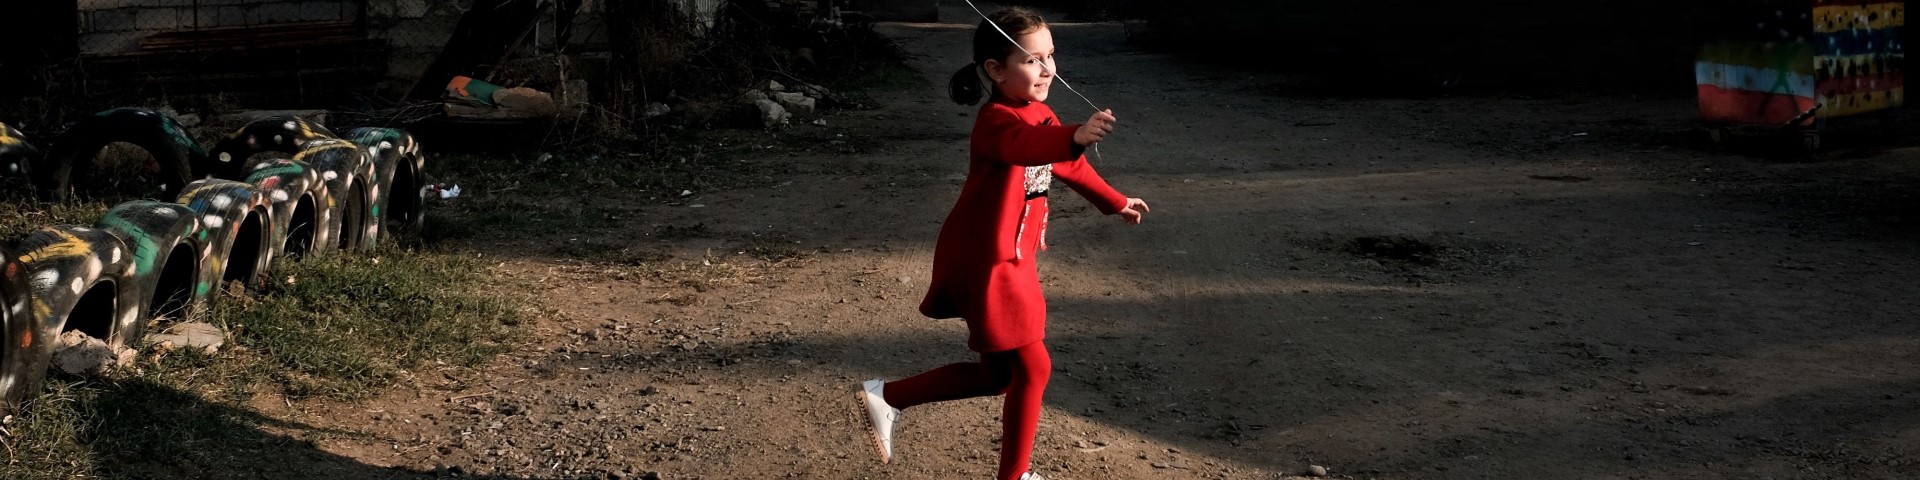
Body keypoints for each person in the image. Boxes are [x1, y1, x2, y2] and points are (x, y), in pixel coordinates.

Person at [857, 7, 1149, 480]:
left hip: (1010, 258)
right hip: (989, 262)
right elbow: (1028, 147)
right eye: (1033, 60)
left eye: (1051, 56)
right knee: (1033, 368)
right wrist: (1074, 135)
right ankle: (1014, 477)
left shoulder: (1041, 113)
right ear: (995, 70)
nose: (1049, 69)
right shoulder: (995, 121)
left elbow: (1065, 164)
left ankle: (888, 396)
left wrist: (1114, 201)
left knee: (998, 376)